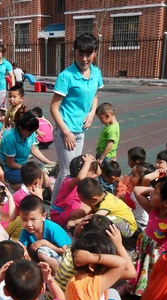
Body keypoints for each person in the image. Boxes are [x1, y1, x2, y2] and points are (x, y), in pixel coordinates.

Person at [50, 33, 103, 203]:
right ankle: (57, 207)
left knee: (69, 170)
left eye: (89, 54)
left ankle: (56, 202)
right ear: (74, 52)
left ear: (95, 53)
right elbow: (53, 107)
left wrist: (92, 112)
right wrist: (65, 131)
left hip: (81, 131)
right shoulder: (66, 76)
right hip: (66, 130)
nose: (84, 58)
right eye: (80, 54)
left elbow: (95, 96)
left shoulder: (96, 73)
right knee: (68, 172)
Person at [127, 175, 167, 296]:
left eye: (155, 192)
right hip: (145, 251)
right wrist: (156, 191)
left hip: (157, 257)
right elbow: (137, 190)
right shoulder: (154, 211)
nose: (151, 195)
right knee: (140, 270)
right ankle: (132, 287)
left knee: (153, 276)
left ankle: (148, 295)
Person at [19, 194, 71, 275]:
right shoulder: (26, 231)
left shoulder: (51, 229)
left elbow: (65, 251)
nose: (28, 224)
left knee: (42, 253)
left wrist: (45, 242)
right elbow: (22, 248)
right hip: (49, 257)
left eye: (33, 219)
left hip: (66, 257)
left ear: (43, 216)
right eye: (24, 219)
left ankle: (57, 276)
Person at [0, 110, 53, 186]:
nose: (32, 134)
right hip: (10, 170)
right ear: (20, 128)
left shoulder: (30, 133)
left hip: (24, 166)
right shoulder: (10, 139)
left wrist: (48, 162)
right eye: (30, 131)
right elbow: (11, 164)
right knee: (35, 177)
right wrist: (30, 169)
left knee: (51, 170)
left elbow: (33, 149)